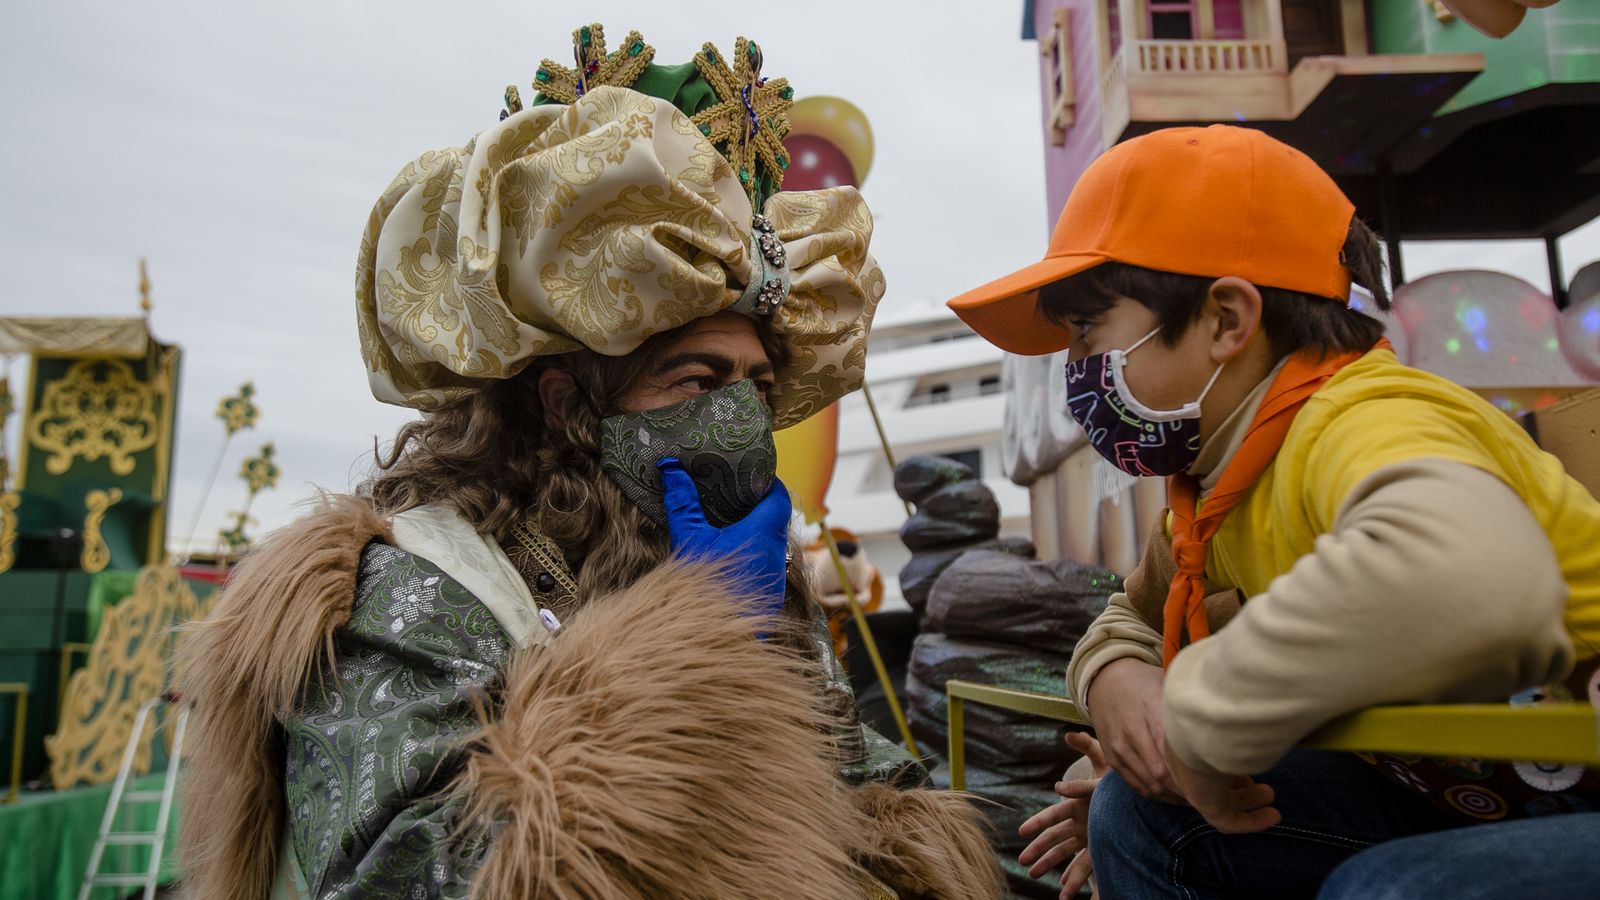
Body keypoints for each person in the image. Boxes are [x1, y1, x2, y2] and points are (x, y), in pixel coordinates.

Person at [175, 25, 1002, 900]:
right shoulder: (414, 585)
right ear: (569, 405)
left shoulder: (744, 576)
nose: (739, 418)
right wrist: (695, 657)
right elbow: (415, 872)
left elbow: (860, 785)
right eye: (697, 378)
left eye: (759, 388)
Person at [946, 124, 1600, 898]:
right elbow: (1131, 616)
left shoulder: (1366, 416)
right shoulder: (1220, 488)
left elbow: (1474, 583)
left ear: (1227, 320)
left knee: (1388, 891)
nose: (1075, 370)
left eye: (1087, 330)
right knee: (1140, 815)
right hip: (1490, 798)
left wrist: (1201, 718)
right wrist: (1120, 683)